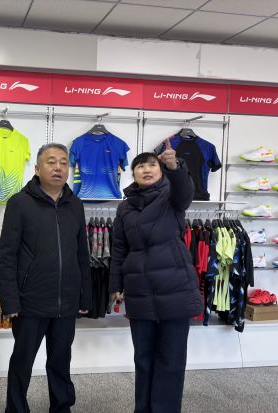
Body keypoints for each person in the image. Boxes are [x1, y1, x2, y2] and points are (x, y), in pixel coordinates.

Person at [0, 143, 92, 413]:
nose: (58, 167)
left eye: (63, 162)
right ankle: (16, 409)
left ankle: (61, 407)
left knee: (60, 361)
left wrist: (85, 296)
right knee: (22, 362)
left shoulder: (75, 204)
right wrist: (10, 301)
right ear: (38, 168)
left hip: (66, 301)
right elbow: (7, 255)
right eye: (51, 162)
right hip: (30, 301)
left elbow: (82, 253)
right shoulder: (19, 203)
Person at [109, 140, 202, 413]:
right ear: (133, 173)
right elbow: (119, 248)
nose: (146, 170)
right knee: (143, 359)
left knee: (170, 360)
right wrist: (116, 284)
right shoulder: (125, 208)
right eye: (140, 166)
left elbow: (185, 191)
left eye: (152, 165)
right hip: (139, 291)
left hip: (175, 289)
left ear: (161, 171)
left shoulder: (171, 197)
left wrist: (176, 166)